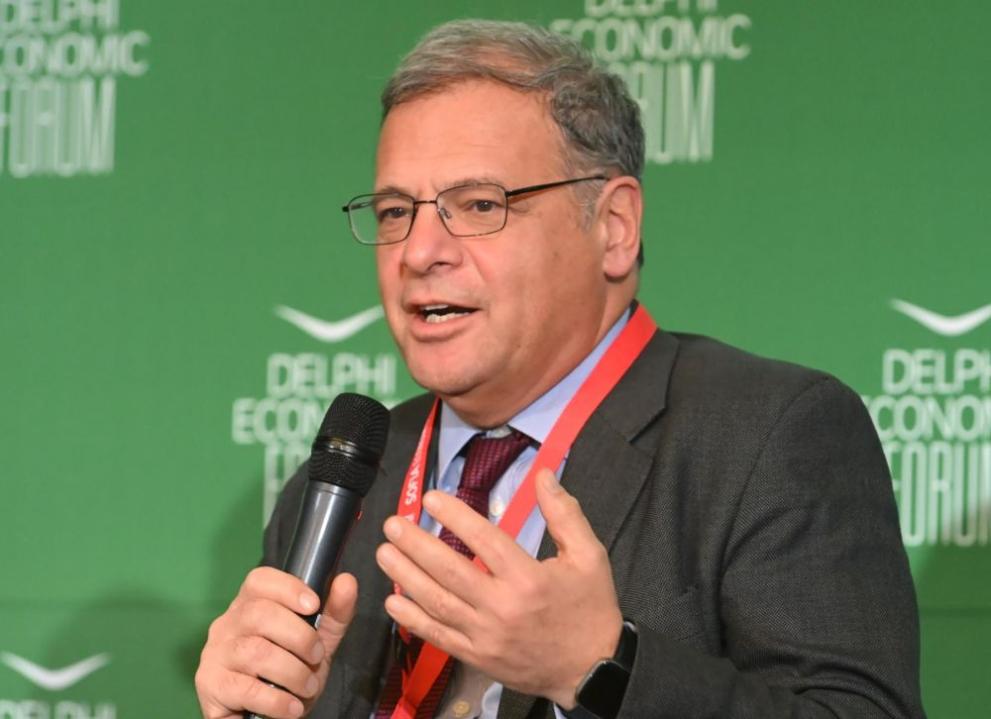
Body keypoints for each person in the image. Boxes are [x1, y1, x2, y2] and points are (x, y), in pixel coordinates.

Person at [195, 19, 925, 719]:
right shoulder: (345, 479)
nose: (418, 252)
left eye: (478, 204)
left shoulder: (766, 436)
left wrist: (601, 667)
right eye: (394, 213)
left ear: (613, 227)